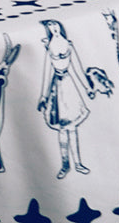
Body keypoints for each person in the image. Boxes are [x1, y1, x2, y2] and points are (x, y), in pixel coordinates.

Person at [38, 20, 95, 178]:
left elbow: (77, 68)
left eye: (55, 26)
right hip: (57, 88)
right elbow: (47, 73)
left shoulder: (68, 45)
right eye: (50, 27)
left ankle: (78, 163)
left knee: (73, 128)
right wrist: (44, 96)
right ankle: (65, 165)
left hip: (69, 87)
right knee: (63, 129)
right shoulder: (49, 48)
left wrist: (87, 87)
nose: (54, 29)